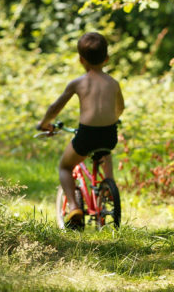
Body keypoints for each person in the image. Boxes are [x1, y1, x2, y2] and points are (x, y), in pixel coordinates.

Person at [37, 32, 124, 230]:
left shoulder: (78, 83)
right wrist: (113, 117)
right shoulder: (113, 83)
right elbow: (120, 108)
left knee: (65, 167)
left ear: (81, 60)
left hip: (87, 135)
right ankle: (108, 187)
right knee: (104, 152)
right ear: (107, 58)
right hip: (109, 134)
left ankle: (75, 208)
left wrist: (44, 123)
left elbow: (55, 108)